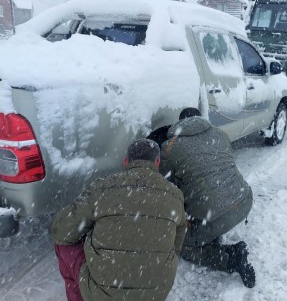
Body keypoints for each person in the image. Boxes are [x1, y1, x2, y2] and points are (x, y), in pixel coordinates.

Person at [50, 138, 186, 301]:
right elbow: (178, 238)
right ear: (157, 162)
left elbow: (61, 231)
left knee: (63, 246)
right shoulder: (174, 194)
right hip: (155, 293)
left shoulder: (103, 187)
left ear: (126, 160)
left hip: (102, 295)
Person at [160, 108, 255, 288]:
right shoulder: (220, 134)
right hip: (243, 201)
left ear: (179, 123)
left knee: (180, 242)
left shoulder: (170, 147)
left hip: (216, 212)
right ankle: (211, 226)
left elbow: (162, 183)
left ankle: (231, 258)